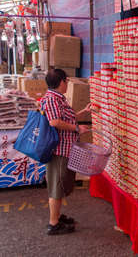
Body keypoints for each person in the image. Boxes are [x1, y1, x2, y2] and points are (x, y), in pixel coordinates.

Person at [41, 69, 91, 235]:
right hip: (58, 150)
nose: (67, 84)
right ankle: (53, 223)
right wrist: (76, 128)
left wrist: (83, 112)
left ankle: (57, 216)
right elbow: (55, 122)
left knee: (60, 184)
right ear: (61, 82)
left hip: (65, 149)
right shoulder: (52, 99)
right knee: (57, 185)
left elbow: (65, 118)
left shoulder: (57, 98)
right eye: (66, 81)